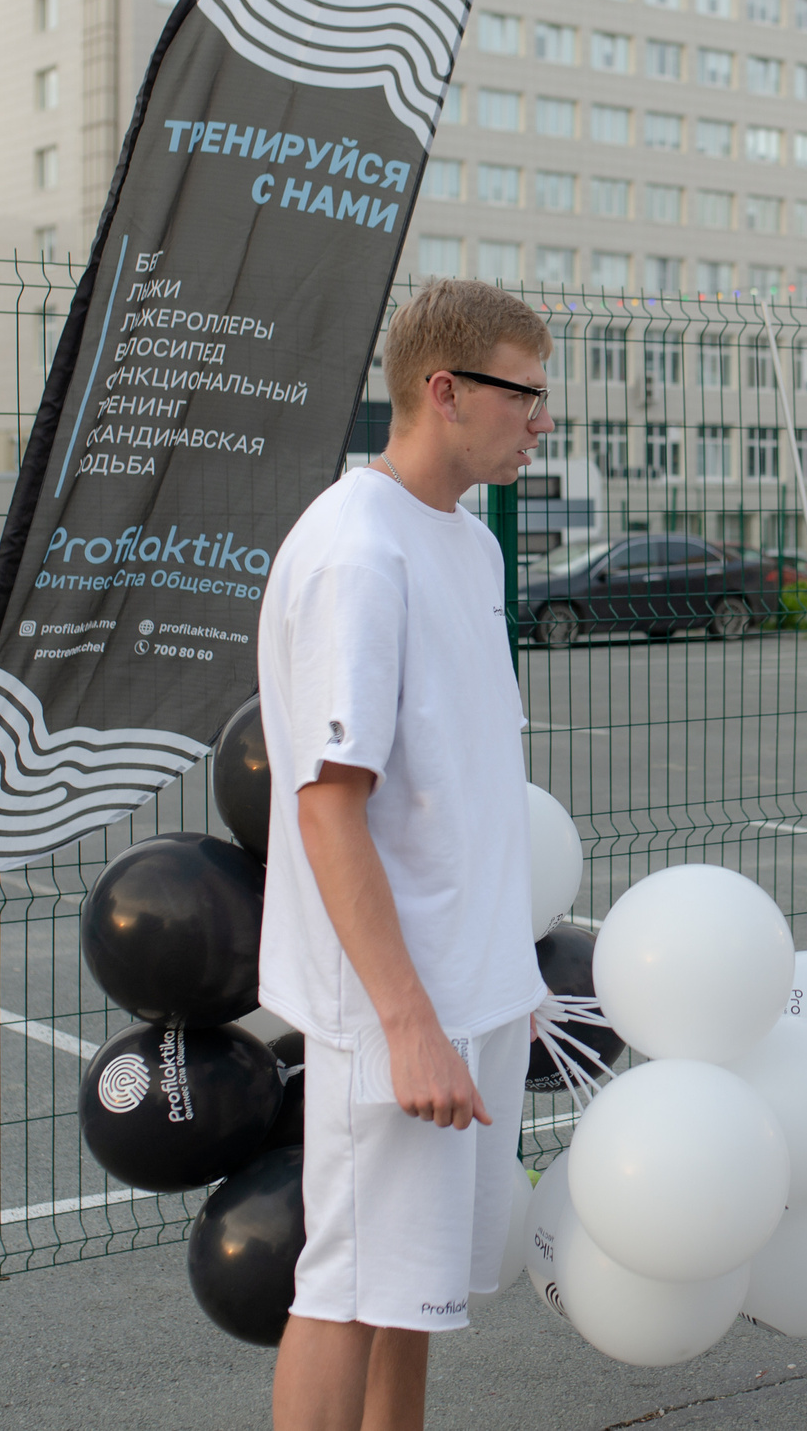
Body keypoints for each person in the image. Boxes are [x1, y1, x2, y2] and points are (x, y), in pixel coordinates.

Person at [258, 280, 557, 1431]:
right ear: (444, 391)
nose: (541, 421)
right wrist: (407, 1020)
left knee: (416, 1294)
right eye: (524, 395)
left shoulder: (465, 539)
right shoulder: (354, 551)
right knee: (344, 1288)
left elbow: (465, 784)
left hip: (467, 987)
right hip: (392, 1006)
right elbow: (330, 807)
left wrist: (501, 979)